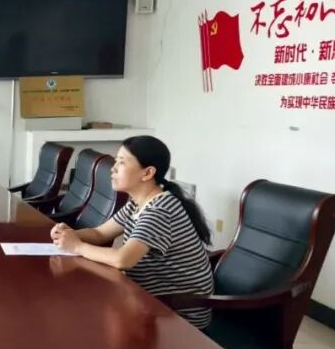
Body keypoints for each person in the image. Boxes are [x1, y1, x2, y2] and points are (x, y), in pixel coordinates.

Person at [51, 135, 214, 328]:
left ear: (147, 173)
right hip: (148, 300)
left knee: (85, 315)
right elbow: (99, 234)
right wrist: (68, 234)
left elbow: (123, 259)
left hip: (178, 314)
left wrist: (77, 246)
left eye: (121, 162)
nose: (113, 168)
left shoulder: (160, 210)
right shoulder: (138, 204)